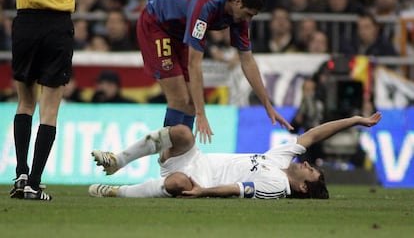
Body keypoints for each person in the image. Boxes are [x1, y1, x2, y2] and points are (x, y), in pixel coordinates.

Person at [136, 0, 293, 144]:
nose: (248, 20)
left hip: (178, 29)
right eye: (248, 14)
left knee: (190, 103)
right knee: (180, 99)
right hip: (156, 24)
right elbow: (194, 64)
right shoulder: (206, 6)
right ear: (238, 2)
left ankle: (180, 157)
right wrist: (201, 114)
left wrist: (267, 105)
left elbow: (247, 60)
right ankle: (167, 156)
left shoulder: (238, 12)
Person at [88, 112, 382, 199]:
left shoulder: (277, 186)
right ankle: (118, 161)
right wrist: (355, 120)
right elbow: (313, 135)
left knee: (177, 183)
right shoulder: (281, 160)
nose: (307, 164)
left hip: (200, 178)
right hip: (197, 158)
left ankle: (118, 192)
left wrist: (203, 192)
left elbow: (237, 189)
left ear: (303, 187)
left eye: (310, 171)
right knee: (181, 133)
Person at [9, 0, 111, 201]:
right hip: (57, 26)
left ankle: (21, 173)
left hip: (26, 23)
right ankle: (34, 183)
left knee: (24, 103)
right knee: (50, 111)